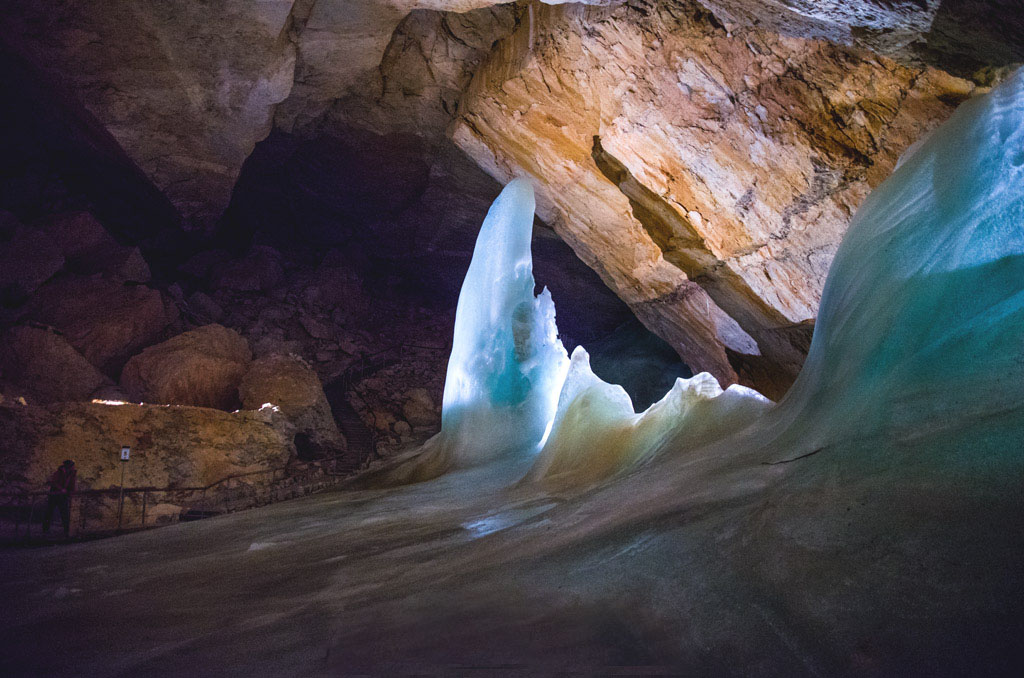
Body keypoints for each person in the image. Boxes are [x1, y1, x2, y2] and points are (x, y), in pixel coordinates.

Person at [43, 459, 76, 538]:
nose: (73, 468)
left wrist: (72, 493)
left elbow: (72, 484)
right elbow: (54, 483)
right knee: (49, 511)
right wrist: (61, 489)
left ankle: (66, 530)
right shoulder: (58, 473)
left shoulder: (72, 474)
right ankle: (45, 529)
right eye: (72, 466)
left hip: (62, 495)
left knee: (64, 512)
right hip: (54, 494)